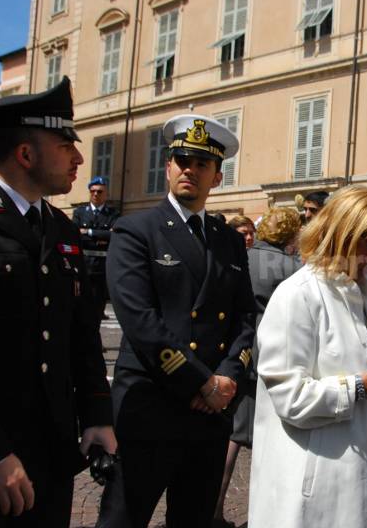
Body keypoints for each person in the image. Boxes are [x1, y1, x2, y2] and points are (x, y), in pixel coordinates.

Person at [0, 77, 116, 527]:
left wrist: (95, 415)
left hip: (50, 451)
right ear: (25, 154)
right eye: (64, 144)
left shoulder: (61, 228)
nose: (79, 158)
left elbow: (81, 332)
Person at [96, 114, 256, 528]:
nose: (190, 170)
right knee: (123, 518)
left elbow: (244, 317)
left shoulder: (229, 241)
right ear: (167, 167)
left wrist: (228, 378)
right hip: (153, 405)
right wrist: (201, 381)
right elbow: (140, 321)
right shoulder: (135, 230)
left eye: (202, 164)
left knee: (193, 519)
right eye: (182, 160)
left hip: (210, 413)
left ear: (217, 177)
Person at [249, 186, 367, 528]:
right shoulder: (297, 296)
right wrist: (366, 384)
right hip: (317, 481)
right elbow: (291, 398)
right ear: (343, 234)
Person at [213, 207, 302, 528]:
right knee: (276, 438)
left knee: (232, 437)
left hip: (241, 353)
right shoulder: (294, 267)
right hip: (279, 358)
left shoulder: (245, 259)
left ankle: (214, 508)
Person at [71, 176, 120, 321]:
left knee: (98, 306)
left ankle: (95, 340)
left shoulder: (113, 214)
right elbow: (75, 234)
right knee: (80, 303)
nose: (95, 194)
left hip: (102, 265)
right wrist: (102, 236)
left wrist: (89, 232)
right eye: (92, 191)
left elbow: (114, 236)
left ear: (106, 194)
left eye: (99, 192)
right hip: (84, 263)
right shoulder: (80, 213)